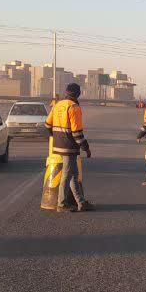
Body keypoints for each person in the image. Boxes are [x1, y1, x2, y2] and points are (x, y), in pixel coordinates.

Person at [46, 83, 94, 212]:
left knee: (73, 174)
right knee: (67, 175)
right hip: (69, 147)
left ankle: (81, 202)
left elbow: (47, 124)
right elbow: (77, 133)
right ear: (78, 94)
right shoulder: (74, 107)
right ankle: (61, 204)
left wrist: (55, 137)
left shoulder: (58, 105)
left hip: (59, 145)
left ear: (66, 92)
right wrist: (86, 148)